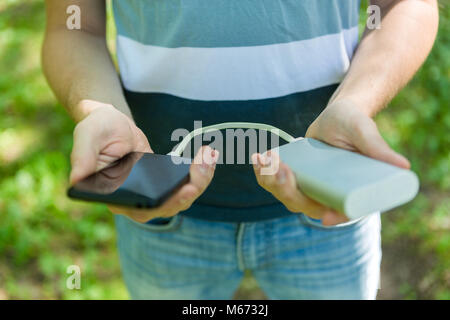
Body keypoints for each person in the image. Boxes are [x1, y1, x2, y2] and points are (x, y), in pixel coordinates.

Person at [42, 0, 438, 299]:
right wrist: (98, 108)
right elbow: (74, 26)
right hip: (161, 208)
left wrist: (355, 103)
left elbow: (401, 6)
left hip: (327, 201)